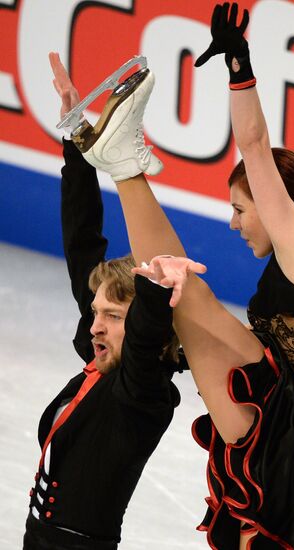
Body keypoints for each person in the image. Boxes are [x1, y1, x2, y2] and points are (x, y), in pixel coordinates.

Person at [64, 3, 294, 548]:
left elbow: (254, 148)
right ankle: (121, 166)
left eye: (241, 209)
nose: (233, 223)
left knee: (184, 295)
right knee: (179, 292)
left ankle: (124, 167)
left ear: (280, 207)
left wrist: (239, 70)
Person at [23, 53, 183, 550]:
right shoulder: (100, 362)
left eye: (113, 317)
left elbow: (146, 334)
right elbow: (82, 243)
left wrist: (154, 291)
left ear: (143, 326)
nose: (95, 326)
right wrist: (76, 139)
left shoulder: (142, 394)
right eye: (96, 313)